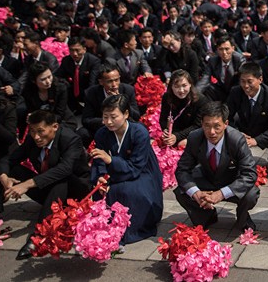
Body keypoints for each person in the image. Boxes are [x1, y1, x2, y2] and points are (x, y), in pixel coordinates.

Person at [0, 110, 91, 260]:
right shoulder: (33, 140)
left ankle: (38, 236)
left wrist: (27, 185)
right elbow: (8, 160)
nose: (36, 137)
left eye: (41, 131)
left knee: (61, 178)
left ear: (55, 126)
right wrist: (5, 178)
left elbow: (64, 169)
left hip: (75, 191)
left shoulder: (71, 139)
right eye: (32, 131)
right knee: (15, 170)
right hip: (48, 190)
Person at [89, 94, 163, 244]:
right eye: (105, 117)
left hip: (141, 172)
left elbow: (136, 167)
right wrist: (101, 176)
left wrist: (110, 160)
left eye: (113, 117)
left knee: (130, 192)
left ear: (126, 114)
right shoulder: (101, 133)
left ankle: (131, 229)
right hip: (112, 172)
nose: (108, 122)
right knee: (101, 191)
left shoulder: (139, 132)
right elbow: (99, 160)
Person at [174, 101, 259, 232]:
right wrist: (196, 192)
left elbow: (250, 173)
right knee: (182, 190)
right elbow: (182, 170)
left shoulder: (236, 139)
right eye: (207, 126)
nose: (211, 132)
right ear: (201, 124)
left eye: (217, 126)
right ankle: (206, 216)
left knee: (250, 195)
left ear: (226, 124)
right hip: (207, 179)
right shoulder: (194, 137)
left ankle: (243, 219)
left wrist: (221, 194)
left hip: (231, 180)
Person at [226, 61, 268, 149]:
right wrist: (237, 133)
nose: (246, 86)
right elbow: (226, 116)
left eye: (250, 82)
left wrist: (256, 140)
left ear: (260, 79)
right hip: (243, 131)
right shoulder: (236, 92)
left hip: (264, 133)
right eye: (242, 81)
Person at [21, 60, 76, 132]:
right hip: (40, 124)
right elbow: (31, 110)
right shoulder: (28, 91)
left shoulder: (60, 88)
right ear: (34, 81)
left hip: (62, 121)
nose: (48, 81)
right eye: (43, 79)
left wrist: (41, 119)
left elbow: (60, 114)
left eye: (49, 77)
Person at [159, 69, 208, 149]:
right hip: (173, 134)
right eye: (177, 86)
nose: (181, 90)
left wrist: (177, 136)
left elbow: (198, 125)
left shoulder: (200, 100)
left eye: (184, 85)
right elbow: (163, 119)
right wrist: (166, 131)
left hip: (192, 134)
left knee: (182, 145)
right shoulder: (167, 98)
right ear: (171, 87)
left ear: (190, 84)